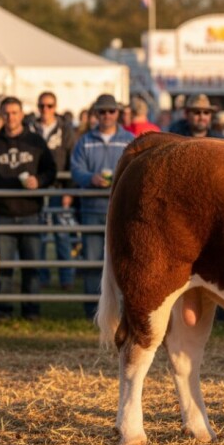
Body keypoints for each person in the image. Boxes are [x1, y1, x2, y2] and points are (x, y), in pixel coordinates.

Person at [0, 96, 57, 322]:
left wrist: (39, 181)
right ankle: (2, 311)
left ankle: (31, 311)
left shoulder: (36, 142)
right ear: (1, 115)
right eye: (6, 113)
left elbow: (51, 170)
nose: (11, 117)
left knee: (31, 266)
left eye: (14, 113)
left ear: (21, 114)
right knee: (4, 267)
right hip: (3, 213)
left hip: (30, 212)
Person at [70, 94, 135, 318]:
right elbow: (75, 169)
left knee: (123, 261)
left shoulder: (129, 139)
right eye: (102, 111)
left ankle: (123, 308)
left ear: (117, 113)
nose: (107, 115)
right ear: (95, 114)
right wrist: (90, 178)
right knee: (92, 259)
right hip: (92, 209)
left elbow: (137, 168)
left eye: (111, 111)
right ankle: (92, 308)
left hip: (122, 211)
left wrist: (118, 179)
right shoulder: (84, 142)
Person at [28, 91, 77, 291]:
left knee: (62, 235)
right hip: (37, 188)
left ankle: (66, 278)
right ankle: (42, 277)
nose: (45, 110)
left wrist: (69, 191)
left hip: (59, 188)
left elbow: (72, 159)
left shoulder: (65, 130)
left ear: (55, 107)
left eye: (49, 106)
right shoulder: (31, 128)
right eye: (41, 106)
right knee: (38, 235)